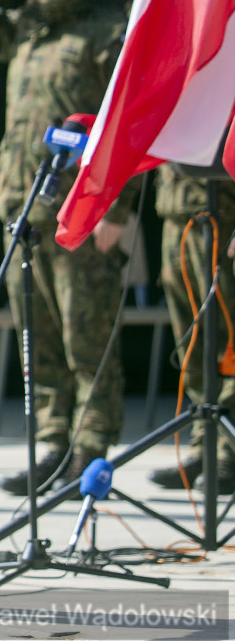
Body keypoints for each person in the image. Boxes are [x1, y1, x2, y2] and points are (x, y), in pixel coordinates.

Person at [0, 0, 131, 496]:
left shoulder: (109, 30)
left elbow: (128, 127)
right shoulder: (28, 25)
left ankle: (92, 448)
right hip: (22, 203)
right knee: (40, 335)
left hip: (80, 212)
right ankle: (55, 445)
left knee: (87, 334)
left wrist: (118, 212)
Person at [148, 165, 235, 489]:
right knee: (191, 340)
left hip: (222, 213)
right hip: (177, 213)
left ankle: (229, 450)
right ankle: (204, 443)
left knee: (228, 337)